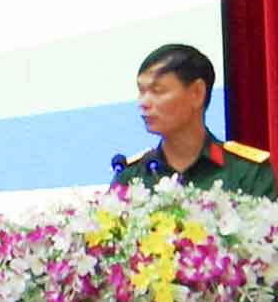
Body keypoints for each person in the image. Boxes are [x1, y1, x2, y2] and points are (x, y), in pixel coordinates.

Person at [117, 43, 274, 197]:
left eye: (157, 91)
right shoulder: (131, 177)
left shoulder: (248, 173)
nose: (143, 103)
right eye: (141, 91)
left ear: (197, 93)